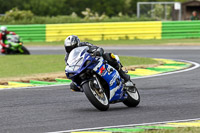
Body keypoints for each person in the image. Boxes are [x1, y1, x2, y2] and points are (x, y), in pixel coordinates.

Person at [64, 35, 131, 92]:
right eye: (69, 48)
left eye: (73, 47)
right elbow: (70, 65)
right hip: (81, 68)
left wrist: (97, 51)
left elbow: (96, 48)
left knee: (109, 56)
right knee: (72, 86)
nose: (71, 49)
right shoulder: (67, 57)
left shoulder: (84, 44)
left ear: (77, 44)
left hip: (93, 61)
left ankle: (123, 75)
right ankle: (91, 89)